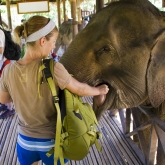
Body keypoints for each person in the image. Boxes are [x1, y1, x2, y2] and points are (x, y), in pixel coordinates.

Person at [0, 15, 109, 165]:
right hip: (51, 143)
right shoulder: (53, 67)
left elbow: (4, 100)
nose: (53, 46)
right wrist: (99, 90)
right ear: (42, 41)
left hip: (24, 142)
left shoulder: (8, 70)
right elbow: (80, 89)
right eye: (53, 42)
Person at [0, 26, 15, 119]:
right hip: (1, 62)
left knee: (5, 85)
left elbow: (1, 49)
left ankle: (10, 108)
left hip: (3, 62)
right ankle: (5, 104)